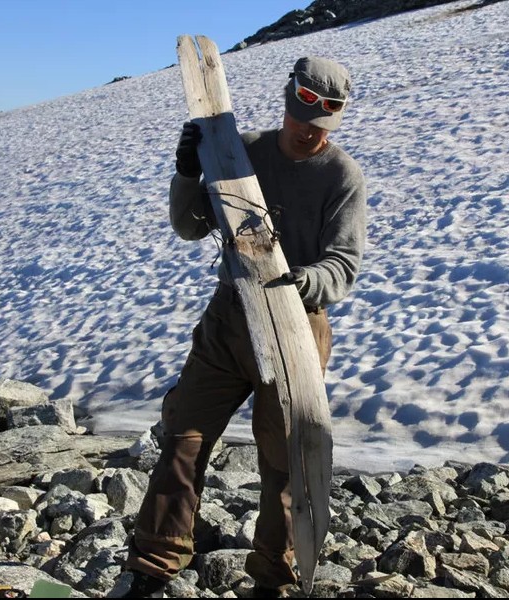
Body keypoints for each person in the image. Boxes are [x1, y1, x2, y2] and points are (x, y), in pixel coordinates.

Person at [123, 56, 367, 598]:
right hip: (229, 316)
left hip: (296, 329)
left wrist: (303, 281)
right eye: (304, 116)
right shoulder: (244, 152)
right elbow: (190, 227)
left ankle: (274, 582)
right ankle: (152, 566)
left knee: (285, 460)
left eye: (323, 123)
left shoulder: (341, 177)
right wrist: (189, 173)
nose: (309, 131)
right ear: (289, 102)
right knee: (183, 434)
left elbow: (342, 266)